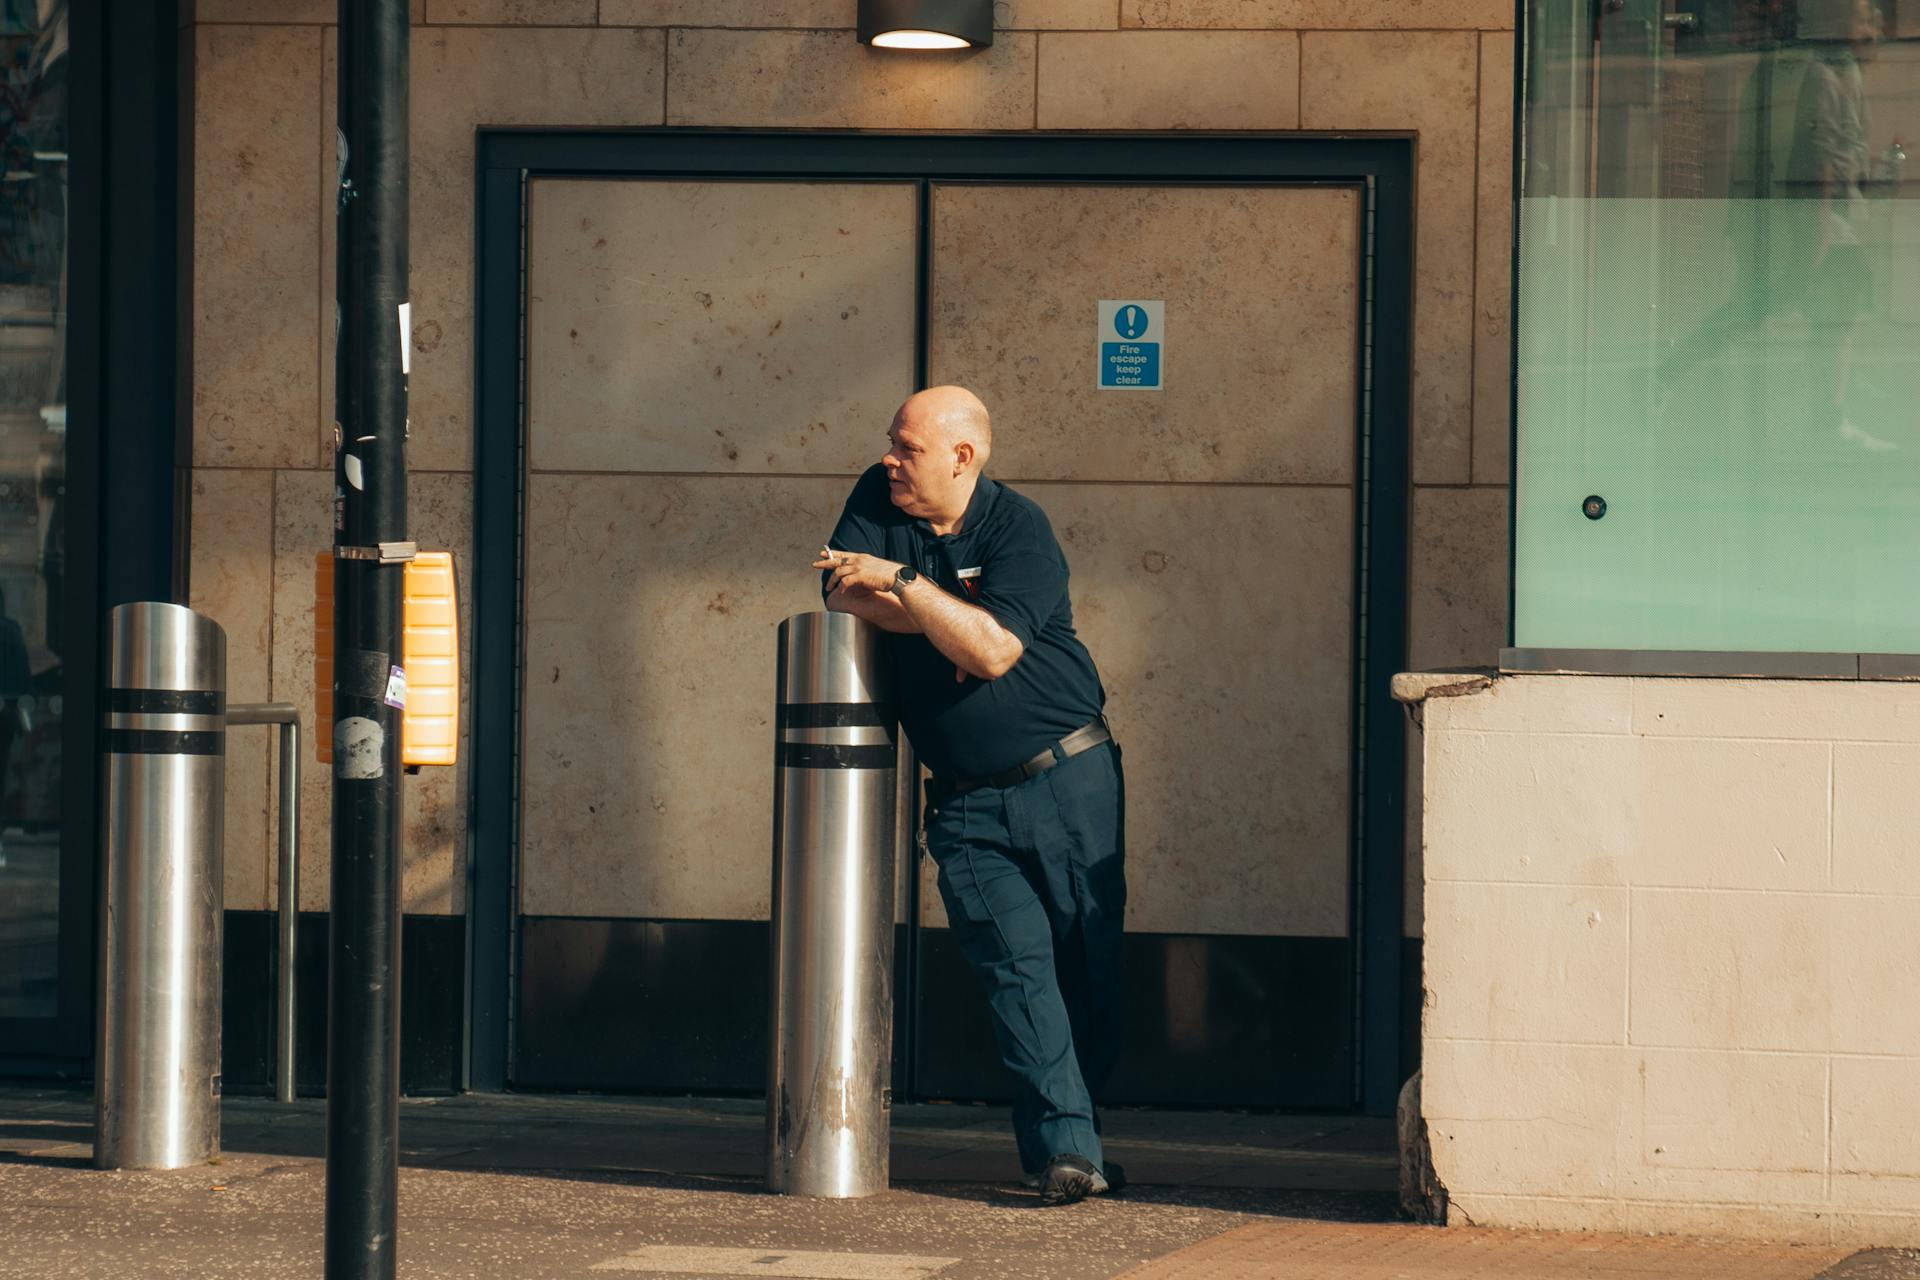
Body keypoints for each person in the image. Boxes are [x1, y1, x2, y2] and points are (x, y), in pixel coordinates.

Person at [813, 385, 1127, 1206]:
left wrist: (907, 589)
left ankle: (1077, 1137)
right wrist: (948, 612)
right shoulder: (876, 496)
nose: (890, 458)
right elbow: (841, 592)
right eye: (891, 441)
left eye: (908, 448)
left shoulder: (1019, 528)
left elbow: (989, 655)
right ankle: (1068, 1152)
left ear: (964, 457)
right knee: (1016, 971)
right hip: (964, 806)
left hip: (1070, 778)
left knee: (1085, 970)